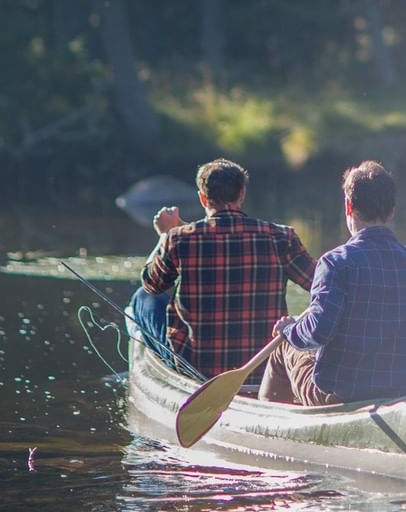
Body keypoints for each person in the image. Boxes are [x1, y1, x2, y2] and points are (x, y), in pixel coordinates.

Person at [259, 160, 406, 406]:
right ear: (392, 210)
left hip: (339, 395)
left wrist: (289, 329)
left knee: (284, 346)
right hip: (403, 393)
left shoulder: (335, 263)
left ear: (348, 206)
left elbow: (318, 333)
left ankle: (270, 422)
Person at [129, 158, 316, 379]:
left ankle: (151, 374)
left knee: (142, 299)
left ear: (202, 197)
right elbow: (320, 284)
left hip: (197, 367)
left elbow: (152, 284)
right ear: (242, 194)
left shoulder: (179, 239)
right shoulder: (281, 237)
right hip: (264, 367)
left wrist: (164, 236)